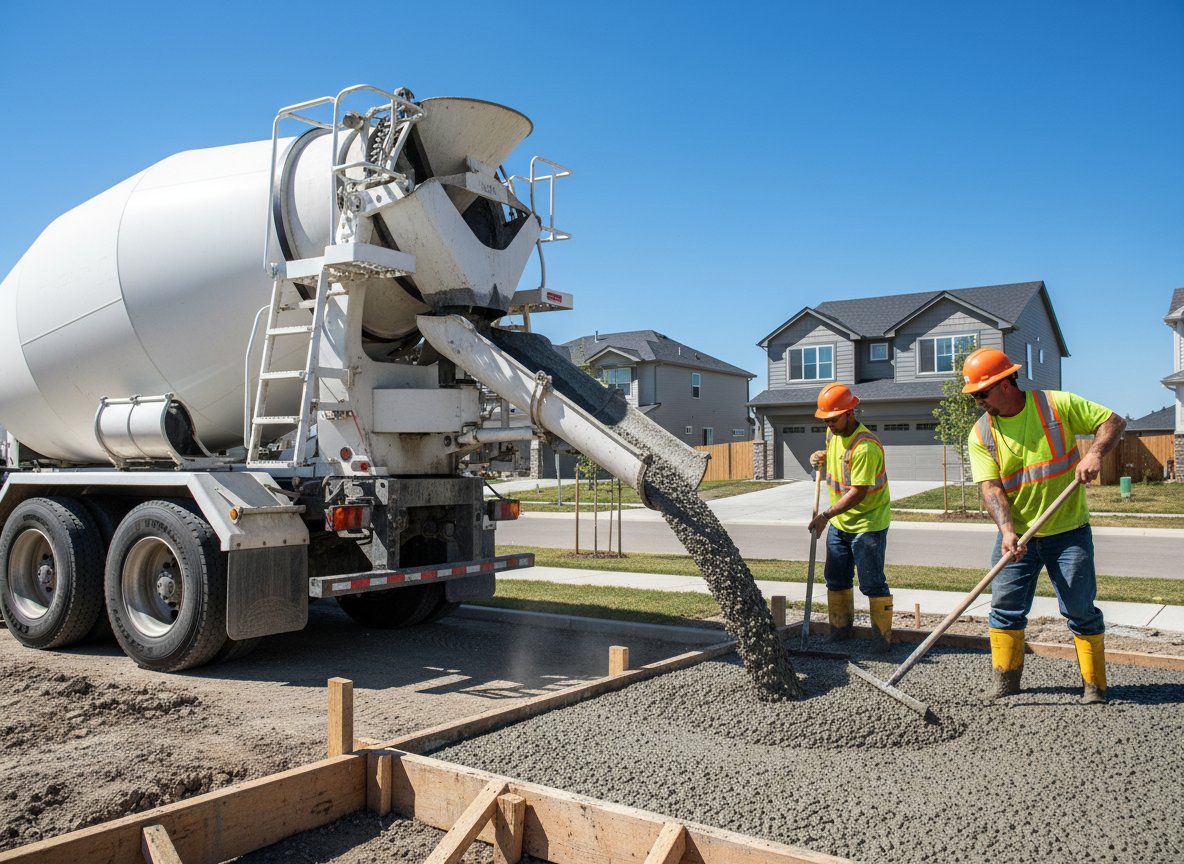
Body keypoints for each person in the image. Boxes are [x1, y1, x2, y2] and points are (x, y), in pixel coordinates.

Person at [962, 348, 1125, 704]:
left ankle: (1094, 686)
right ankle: (1005, 683)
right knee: (1004, 608)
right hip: (1017, 535)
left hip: (1068, 533)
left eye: (982, 393)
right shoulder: (981, 433)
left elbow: (1113, 422)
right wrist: (1007, 531)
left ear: (1005, 384)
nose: (978, 401)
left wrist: (1095, 452)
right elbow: (990, 487)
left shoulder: (1055, 405)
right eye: (974, 395)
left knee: (1080, 610)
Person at [808, 383, 894, 652]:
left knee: (871, 582)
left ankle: (882, 640)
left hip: (868, 524)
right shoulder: (833, 434)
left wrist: (825, 515)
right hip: (839, 524)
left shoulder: (865, 446)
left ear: (850, 412)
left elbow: (857, 493)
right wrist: (820, 457)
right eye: (826, 420)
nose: (830, 424)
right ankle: (840, 632)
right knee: (835, 579)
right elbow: (835, 457)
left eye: (833, 419)